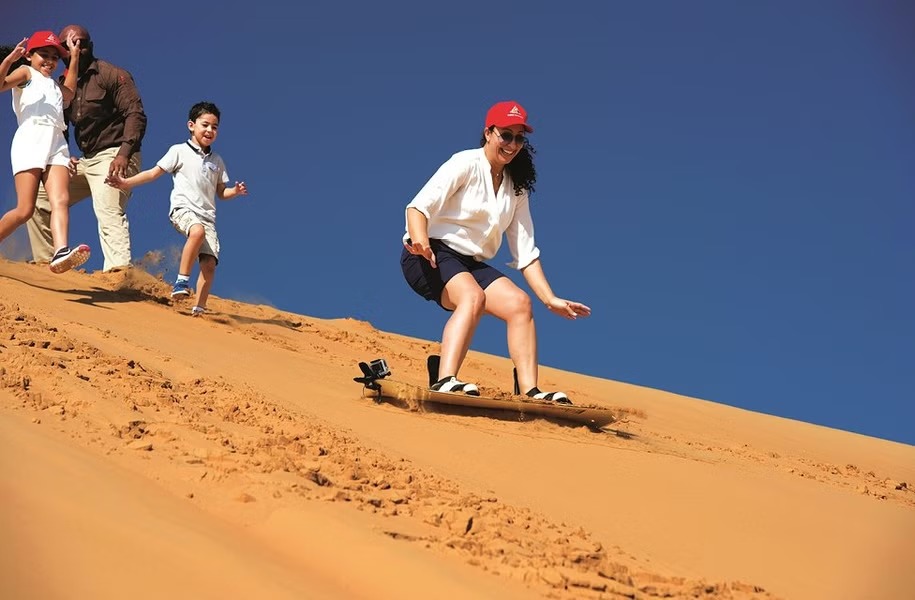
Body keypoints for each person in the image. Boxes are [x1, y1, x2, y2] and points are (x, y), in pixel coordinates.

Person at [401, 101, 591, 403]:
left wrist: (549, 299)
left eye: (519, 138)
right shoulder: (465, 163)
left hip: (469, 263)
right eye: (506, 135)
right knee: (472, 297)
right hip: (427, 253)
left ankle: (530, 391)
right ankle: (445, 379)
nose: (512, 144)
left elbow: (526, 251)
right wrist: (420, 239)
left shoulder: (517, 189)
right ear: (489, 133)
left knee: (519, 304)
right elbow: (418, 206)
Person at [106, 101, 248, 315]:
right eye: (205, 124)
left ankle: (199, 309)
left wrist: (234, 192)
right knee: (196, 231)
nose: (210, 130)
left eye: (215, 127)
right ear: (191, 125)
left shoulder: (217, 160)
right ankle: (181, 281)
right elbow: (154, 173)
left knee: (209, 265)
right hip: (183, 210)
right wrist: (126, 183)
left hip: (208, 217)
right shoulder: (179, 151)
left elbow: (221, 192)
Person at [26, 24, 146, 272]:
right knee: (39, 197)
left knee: (107, 206)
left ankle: (119, 274)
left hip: (116, 153)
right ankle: (50, 264)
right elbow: (59, 124)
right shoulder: (60, 85)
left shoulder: (111, 74)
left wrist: (124, 154)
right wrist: (63, 153)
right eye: (68, 46)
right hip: (85, 160)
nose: (75, 48)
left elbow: (135, 114)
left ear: (89, 46)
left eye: (80, 43)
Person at [0, 31, 91, 273]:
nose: (50, 61)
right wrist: (10, 60)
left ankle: (60, 251)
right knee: (24, 210)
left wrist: (72, 57)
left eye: (54, 57)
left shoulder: (54, 85)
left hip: (56, 142)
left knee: (59, 200)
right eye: (44, 54)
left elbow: (69, 92)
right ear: (29, 55)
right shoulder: (25, 73)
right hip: (30, 138)